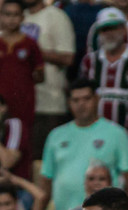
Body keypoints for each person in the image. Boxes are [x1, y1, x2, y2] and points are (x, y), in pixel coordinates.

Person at [38, 80, 128, 210]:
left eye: (86, 99)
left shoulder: (117, 134)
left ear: (97, 99)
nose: (81, 104)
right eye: (76, 100)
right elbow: (46, 183)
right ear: (69, 103)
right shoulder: (56, 135)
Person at [22, 0, 76, 155]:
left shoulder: (56, 16)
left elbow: (68, 57)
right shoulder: (18, 16)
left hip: (50, 104)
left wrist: (34, 51)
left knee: (46, 157)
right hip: (22, 103)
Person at [79, 7, 128, 129]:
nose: (109, 34)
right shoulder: (89, 61)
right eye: (105, 30)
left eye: (114, 28)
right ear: (99, 33)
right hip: (95, 131)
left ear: (124, 30)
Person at [0, 0, 44, 138]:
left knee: (23, 137)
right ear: (1, 16)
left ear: (22, 17)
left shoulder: (30, 43)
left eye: (16, 15)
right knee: (0, 136)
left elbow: (40, 74)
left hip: (24, 102)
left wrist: (23, 83)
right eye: (8, 14)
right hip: (0, 103)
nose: (11, 19)